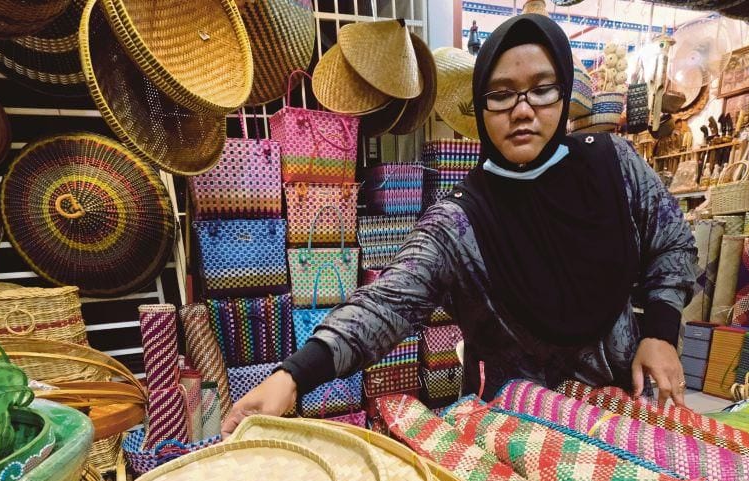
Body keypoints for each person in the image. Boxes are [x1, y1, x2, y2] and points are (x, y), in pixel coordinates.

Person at [223, 13, 697, 436]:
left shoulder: (614, 167)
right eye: (501, 94)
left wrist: (659, 330)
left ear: (564, 89)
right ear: (480, 104)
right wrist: (292, 375)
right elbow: (387, 303)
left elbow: (672, 244)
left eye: (543, 87)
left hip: (621, 413)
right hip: (518, 436)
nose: (523, 109)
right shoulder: (460, 220)